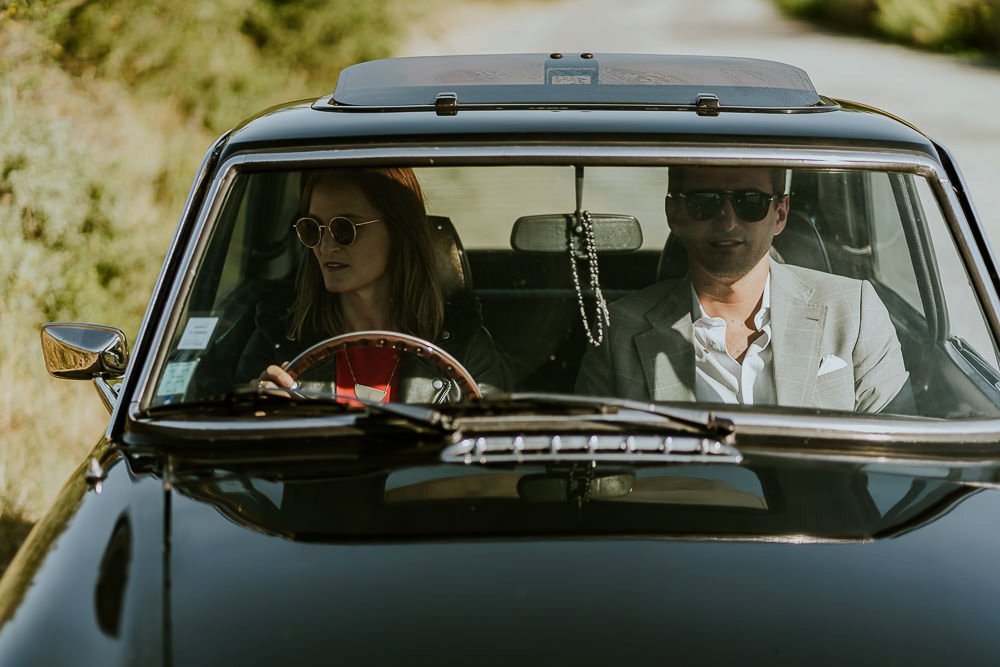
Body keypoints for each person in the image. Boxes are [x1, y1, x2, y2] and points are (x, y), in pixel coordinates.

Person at [576, 165, 912, 413]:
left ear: (780, 213)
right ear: (674, 213)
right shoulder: (618, 329)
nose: (728, 221)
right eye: (704, 201)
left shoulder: (855, 310)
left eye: (750, 202)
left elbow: (901, 459)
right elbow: (596, 473)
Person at [236, 167, 507, 403]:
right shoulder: (276, 341)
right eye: (312, 228)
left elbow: (489, 450)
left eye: (345, 229)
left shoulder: (464, 346)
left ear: (398, 231)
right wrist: (259, 415)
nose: (326, 246)